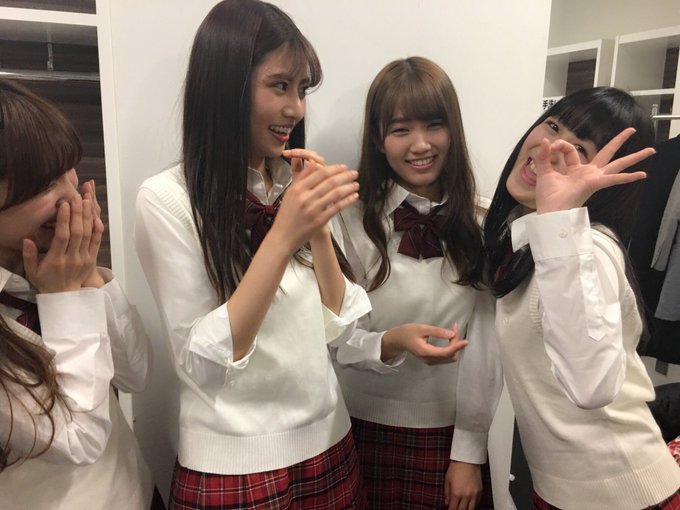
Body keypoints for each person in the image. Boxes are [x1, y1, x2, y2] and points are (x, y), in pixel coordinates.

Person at [134, 0, 371, 508]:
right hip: (234, 467)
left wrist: (317, 229)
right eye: (280, 86)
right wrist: (285, 234)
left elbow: (339, 326)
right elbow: (203, 362)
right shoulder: (167, 199)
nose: (296, 109)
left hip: (332, 442)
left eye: (302, 90)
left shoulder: (293, 182)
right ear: (228, 86)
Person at [484, 86, 680, 510]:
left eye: (581, 150)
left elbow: (592, 387)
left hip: (622, 495)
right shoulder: (522, 237)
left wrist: (558, 220)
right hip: (565, 491)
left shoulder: (591, 250)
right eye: (554, 126)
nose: (552, 148)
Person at [332, 57, 501, 510]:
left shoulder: (484, 222)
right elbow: (335, 338)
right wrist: (391, 341)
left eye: (434, 125)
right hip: (356, 426)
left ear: (453, 130)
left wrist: (469, 450)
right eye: (401, 129)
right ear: (377, 139)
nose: (420, 144)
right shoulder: (345, 220)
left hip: (450, 436)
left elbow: (488, 342)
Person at [0, 79, 155, 509]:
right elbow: (79, 440)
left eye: (69, 169)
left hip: (136, 491)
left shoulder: (51, 267)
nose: (73, 196)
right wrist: (67, 299)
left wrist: (88, 278)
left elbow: (136, 374)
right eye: (45, 183)